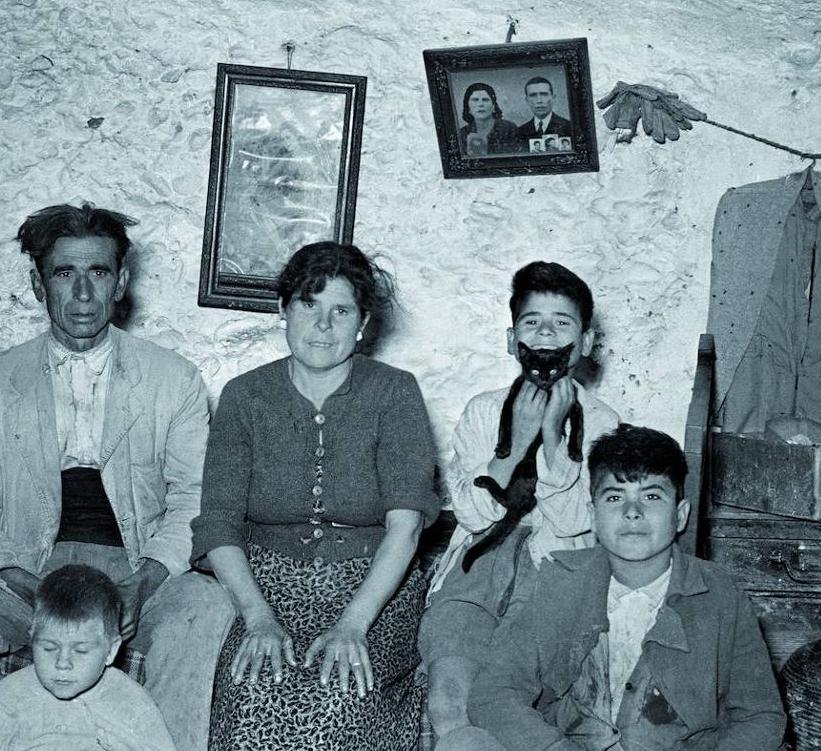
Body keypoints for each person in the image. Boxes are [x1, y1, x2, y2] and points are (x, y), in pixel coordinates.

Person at [0, 203, 234, 751]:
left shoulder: (173, 379)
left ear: (120, 283)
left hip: (137, 566)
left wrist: (144, 581)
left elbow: (195, 499)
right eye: (64, 273)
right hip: (29, 567)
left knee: (205, 606)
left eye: (98, 272)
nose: (82, 293)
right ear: (39, 285)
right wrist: (19, 579)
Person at [190, 241, 440, 751]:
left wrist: (353, 626)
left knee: (339, 699)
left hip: (373, 591)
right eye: (309, 304)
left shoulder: (395, 392)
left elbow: (407, 526)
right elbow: (218, 523)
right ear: (283, 309)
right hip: (266, 589)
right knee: (252, 696)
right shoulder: (245, 396)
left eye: (341, 310)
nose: (323, 325)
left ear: (363, 322)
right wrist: (257, 618)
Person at [461, 425, 786, 750]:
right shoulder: (560, 583)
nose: (632, 512)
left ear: (680, 515)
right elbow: (494, 692)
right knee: (464, 742)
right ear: (593, 515)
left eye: (651, 496)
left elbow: (761, 717)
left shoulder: (720, 596)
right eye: (615, 497)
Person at [420, 262, 621, 748]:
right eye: (532, 322)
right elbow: (471, 514)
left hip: (554, 576)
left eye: (561, 322)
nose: (546, 333)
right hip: (477, 571)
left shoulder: (603, 424)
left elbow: (575, 523)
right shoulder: (484, 411)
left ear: (586, 342)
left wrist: (553, 441)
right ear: (513, 340)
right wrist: (513, 449)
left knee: (506, 704)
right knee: (449, 697)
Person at [0, 565, 178, 751]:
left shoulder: (132, 703)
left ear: (111, 650)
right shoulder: (11, 695)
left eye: (80, 651)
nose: (62, 664)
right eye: (49, 648)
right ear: (32, 639)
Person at [457, 82, 519, 157]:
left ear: (493, 106)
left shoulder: (509, 129)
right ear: (468, 106)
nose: (480, 104)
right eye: (475, 100)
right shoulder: (461, 134)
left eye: (485, 100)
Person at [515, 77, 573, 148]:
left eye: (544, 94)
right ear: (527, 100)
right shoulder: (520, 132)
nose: (539, 100)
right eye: (533, 95)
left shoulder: (569, 128)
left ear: (553, 98)